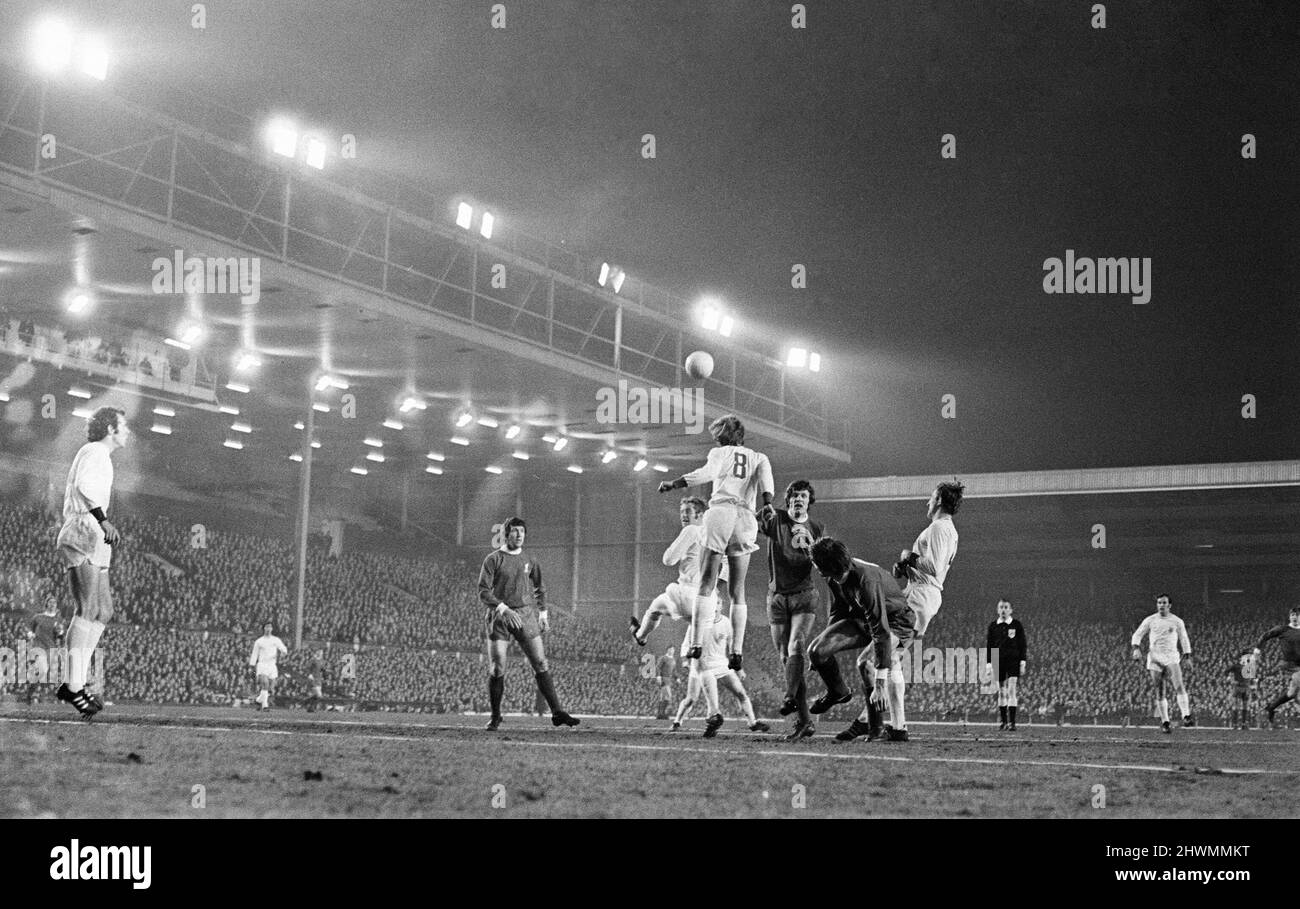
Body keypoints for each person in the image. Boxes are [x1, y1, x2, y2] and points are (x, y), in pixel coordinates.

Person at [657, 414, 774, 673]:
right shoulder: (759, 457)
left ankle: (696, 643)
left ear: (728, 434)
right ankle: (737, 651)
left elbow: (705, 474)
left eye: (718, 433)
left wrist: (674, 483)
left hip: (721, 512)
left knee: (707, 582)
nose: (715, 438)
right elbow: (767, 486)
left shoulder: (719, 454)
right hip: (745, 518)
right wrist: (767, 506)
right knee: (737, 589)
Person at [54, 405, 130, 719]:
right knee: (85, 608)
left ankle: (77, 682)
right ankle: (72, 687)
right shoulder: (95, 452)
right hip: (85, 528)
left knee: (104, 610)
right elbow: (84, 486)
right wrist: (104, 520)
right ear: (110, 429)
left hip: (94, 533)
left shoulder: (103, 456)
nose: (127, 431)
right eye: (123, 426)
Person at [808, 537, 916, 743]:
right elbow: (839, 607)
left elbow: (881, 632)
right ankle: (838, 692)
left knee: (866, 663)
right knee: (816, 651)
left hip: (897, 622)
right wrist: (826, 643)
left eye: (817, 565)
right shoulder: (833, 574)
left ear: (827, 566)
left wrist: (880, 684)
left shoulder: (866, 581)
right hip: (861, 619)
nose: (816, 569)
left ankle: (876, 728)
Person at [478, 517, 579, 731]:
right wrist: (502, 609)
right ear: (506, 534)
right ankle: (496, 716)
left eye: (522, 531)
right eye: (514, 531)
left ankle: (557, 713)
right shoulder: (493, 559)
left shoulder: (529, 559)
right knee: (497, 668)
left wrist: (543, 613)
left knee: (541, 663)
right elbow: (483, 591)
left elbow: (539, 587)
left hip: (525, 614)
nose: (519, 535)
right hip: (500, 616)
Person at [760, 479, 824, 737]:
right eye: (795, 495)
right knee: (787, 659)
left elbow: (823, 562)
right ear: (788, 500)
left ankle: (789, 697)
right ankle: (804, 720)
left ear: (810, 501)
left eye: (804, 496)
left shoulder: (817, 528)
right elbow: (753, 521)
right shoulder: (776, 520)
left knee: (796, 645)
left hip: (804, 595)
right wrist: (760, 513)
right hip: (776, 597)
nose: (799, 499)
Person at [630, 496, 730, 646]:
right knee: (700, 643)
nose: (683, 515)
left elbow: (668, 560)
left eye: (688, 511)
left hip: (686, 595)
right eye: (681, 511)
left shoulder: (691, 530)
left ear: (700, 514)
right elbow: (728, 565)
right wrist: (717, 588)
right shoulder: (716, 535)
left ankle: (641, 636)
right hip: (707, 602)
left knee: (654, 609)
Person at [670, 609, 770, 737]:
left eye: (718, 603)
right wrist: (685, 662)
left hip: (721, 664)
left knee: (741, 693)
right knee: (691, 699)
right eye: (713, 603)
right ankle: (677, 721)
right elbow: (685, 645)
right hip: (701, 666)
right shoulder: (697, 623)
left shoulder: (726, 622)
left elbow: (732, 645)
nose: (715, 607)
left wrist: (738, 669)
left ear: (721, 606)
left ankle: (752, 722)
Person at [893, 480, 963, 641]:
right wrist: (907, 569)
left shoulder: (938, 527)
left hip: (920, 595)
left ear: (939, 501)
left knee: (883, 649)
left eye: (931, 498)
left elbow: (934, 567)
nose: (928, 502)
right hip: (927, 595)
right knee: (898, 650)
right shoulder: (949, 530)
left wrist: (908, 556)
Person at [1129, 594, 1194, 733]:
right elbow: (1138, 634)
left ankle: (1186, 715)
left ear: (1169, 605)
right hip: (1154, 657)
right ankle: (1165, 722)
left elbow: (1184, 638)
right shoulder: (1150, 620)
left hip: (1171, 656)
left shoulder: (1177, 621)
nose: (1161, 605)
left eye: (1164, 603)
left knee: (1178, 684)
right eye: (1159, 603)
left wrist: (1187, 655)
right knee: (1159, 690)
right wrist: (1136, 648)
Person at [1252, 606, 1300, 727]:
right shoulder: (1283, 629)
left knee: (1292, 693)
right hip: (1289, 664)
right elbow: (1265, 635)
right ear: (1289, 617)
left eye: (1297, 615)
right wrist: (1257, 650)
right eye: (1292, 615)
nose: (1294, 617)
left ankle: (1271, 708)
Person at [986, 599, 1027, 731]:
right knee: (1002, 692)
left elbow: (1022, 644)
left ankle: (1012, 722)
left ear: (1010, 610)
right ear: (997, 610)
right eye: (1001, 607)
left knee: (1012, 689)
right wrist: (989, 664)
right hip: (998, 660)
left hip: (1013, 661)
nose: (1003, 610)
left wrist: (1022, 662)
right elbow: (990, 646)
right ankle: (1004, 722)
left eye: (1006, 607)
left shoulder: (1016, 625)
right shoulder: (993, 626)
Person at [26, 596, 65, 704]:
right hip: (38, 646)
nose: (53, 604)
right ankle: (33, 692)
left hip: (50, 648)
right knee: (42, 669)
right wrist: (30, 633)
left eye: (55, 603)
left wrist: (60, 633)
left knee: (43, 673)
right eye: (50, 602)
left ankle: (32, 690)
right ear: (46, 604)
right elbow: (30, 627)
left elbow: (60, 636)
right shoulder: (38, 617)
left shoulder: (58, 620)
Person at [249, 621, 288, 710]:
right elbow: (254, 654)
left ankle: (259, 700)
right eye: (266, 627)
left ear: (272, 629)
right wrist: (252, 666)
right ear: (264, 628)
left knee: (270, 687)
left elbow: (283, 648)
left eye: (270, 627)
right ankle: (265, 706)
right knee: (265, 683)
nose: (268, 629)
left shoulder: (275, 640)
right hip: (262, 665)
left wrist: (283, 653)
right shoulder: (259, 641)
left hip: (272, 666)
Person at [1225, 648, 1258, 730]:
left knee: (1245, 706)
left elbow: (1253, 679)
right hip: (1238, 687)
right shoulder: (1236, 666)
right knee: (1236, 706)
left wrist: (1254, 689)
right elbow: (1226, 672)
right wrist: (1230, 679)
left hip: (1246, 688)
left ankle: (1244, 724)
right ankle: (1235, 724)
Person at [655, 647, 677, 720]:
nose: (672, 651)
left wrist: (677, 678)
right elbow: (658, 667)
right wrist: (658, 676)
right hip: (664, 678)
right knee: (668, 696)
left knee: (663, 697)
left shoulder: (673, 660)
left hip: (669, 679)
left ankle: (660, 714)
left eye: (673, 650)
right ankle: (662, 713)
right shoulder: (663, 658)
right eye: (671, 649)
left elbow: (673, 670)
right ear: (668, 650)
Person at [305, 648, 326, 712]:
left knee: (318, 696)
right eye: (320, 652)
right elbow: (308, 667)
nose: (321, 653)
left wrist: (325, 676)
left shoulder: (322, 660)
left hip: (319, 679)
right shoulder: (313, 660)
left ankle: (310, 707)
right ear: (317, 652)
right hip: (313, 678)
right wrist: (309, 674)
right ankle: (306, 703)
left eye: (322, 652)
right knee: (318, 695)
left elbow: (322, 669)